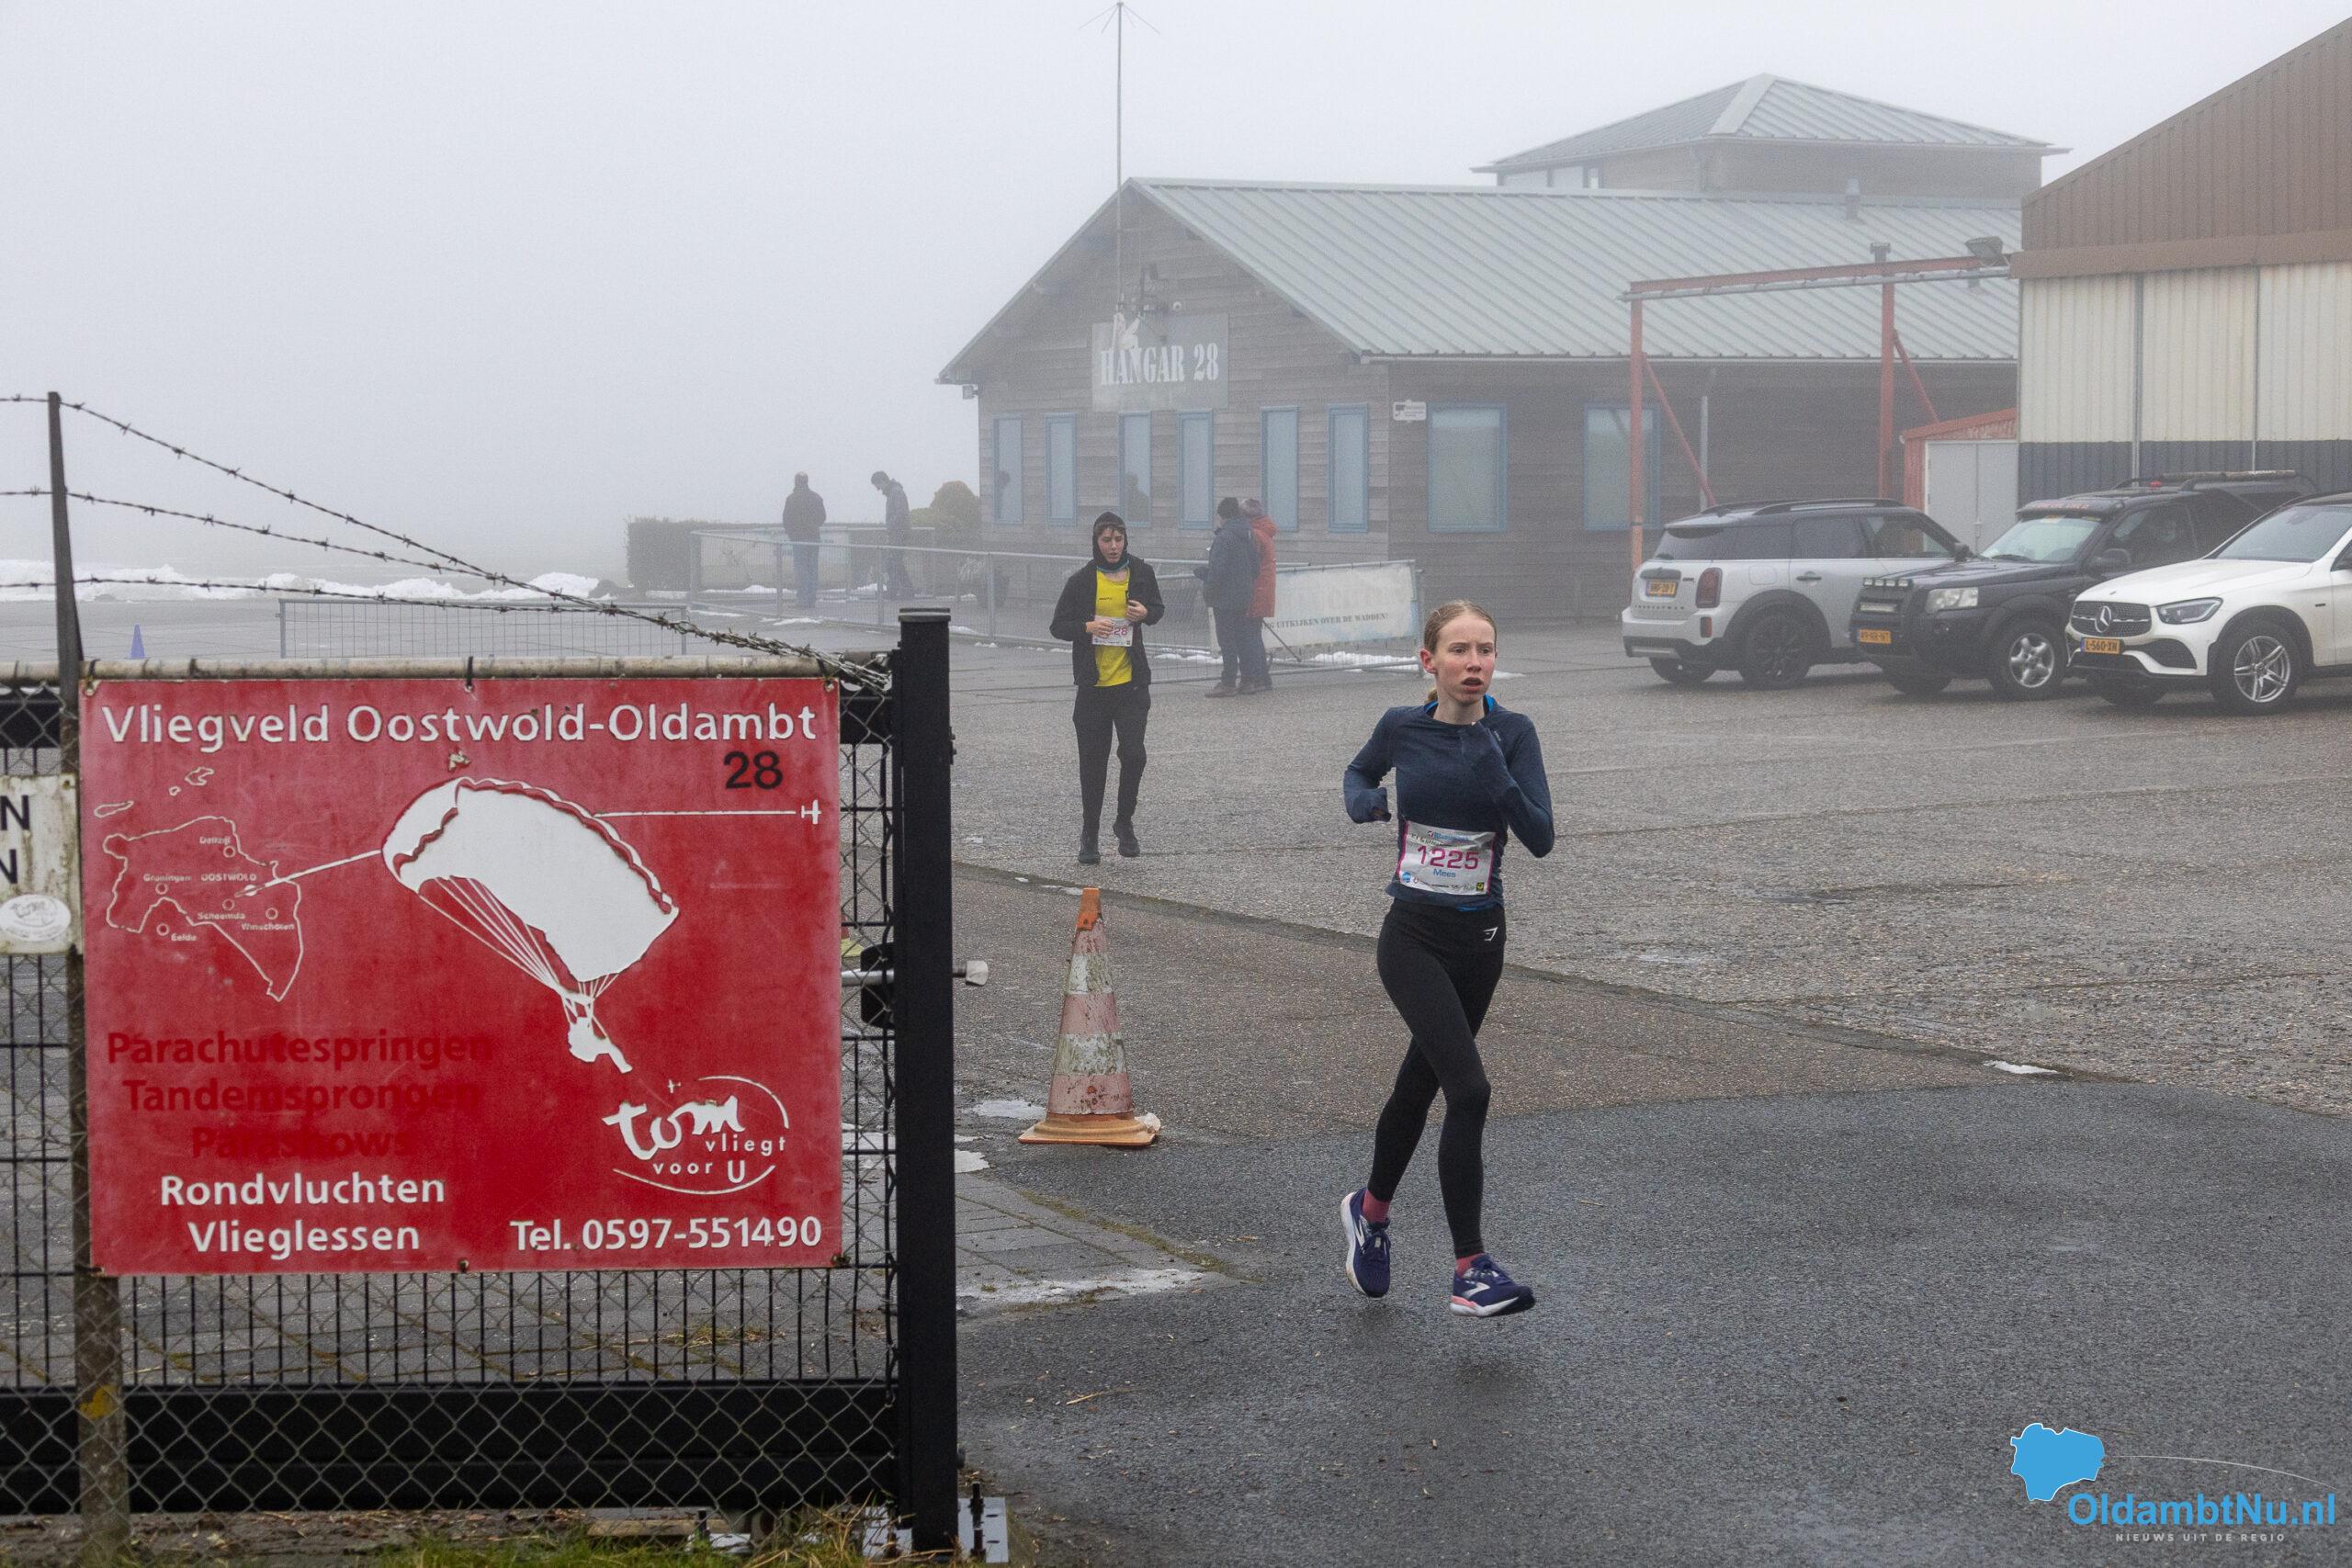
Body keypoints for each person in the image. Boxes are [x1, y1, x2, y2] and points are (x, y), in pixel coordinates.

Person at [1339, 602, 1554, 1318]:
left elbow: (1542, 836)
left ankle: (1370, 1211)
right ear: (1428, 660)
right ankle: (1470, 1269)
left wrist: (1498, 775)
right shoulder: (1403, 725)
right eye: (1459, 649)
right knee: (1470, 1090)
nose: (1474, 662)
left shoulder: (1513, 734)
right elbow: (1358, 771)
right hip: (1412, 938)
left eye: (1485, 649)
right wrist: (1364, 798)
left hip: (1481, 943)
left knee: (1418, 1085)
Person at [1048, 513, 1165, 864]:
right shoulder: (1082, 580)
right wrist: (1087, 626)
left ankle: (1124, 822)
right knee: (1093, 763)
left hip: (1131, 684)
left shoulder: (1141, 572)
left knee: (1134, 754)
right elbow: (1058, 625)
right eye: (1106, 540)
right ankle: (1089, 835)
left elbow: (1157, 609)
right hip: (1094, 687)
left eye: (1118, 539)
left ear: (1125, 540)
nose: (1113, 547)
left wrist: (1145, 613)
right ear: (1096, 542)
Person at [1193, 497, 1260, 698]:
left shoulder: (1224, 538)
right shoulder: (1248, 534)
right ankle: (1248, 681)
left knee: (1227, 641)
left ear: (1222, 516)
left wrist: (1207, 585)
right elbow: (1255, 567)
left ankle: (1228, 682)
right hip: (1243, 595)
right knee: (1243, 639)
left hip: (1224, 598)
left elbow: (1218, 571)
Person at [1240, 498, 1278, 694]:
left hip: (1255, 591)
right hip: (1263, 591)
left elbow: (1249, 564)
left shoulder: (1254, 535)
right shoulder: (1265, 531)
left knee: (1250, 637)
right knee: (1254, 636)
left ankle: (1257, 678)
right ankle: (1262, 678)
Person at [781, 472, 826, 611]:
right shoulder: (816, 497)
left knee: (801, 570)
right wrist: (813, 526)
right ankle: (811, 599)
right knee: (812, 569)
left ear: (796, 482)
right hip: (814, 538)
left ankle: (802, 600)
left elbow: (786, 520)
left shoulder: (792, 499)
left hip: (799, 539)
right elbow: (822, 517)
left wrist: (792, 534)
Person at [871, 469, 914, 598]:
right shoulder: (895, 492)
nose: (878, 489)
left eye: (877, 485)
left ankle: (895, 590)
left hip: (898, 533)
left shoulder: (895, 492)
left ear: (883, 481)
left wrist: (890, 526)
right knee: (896, 563)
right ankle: (906, 590)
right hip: (898, 532)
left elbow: (901, 513)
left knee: (893, 563)